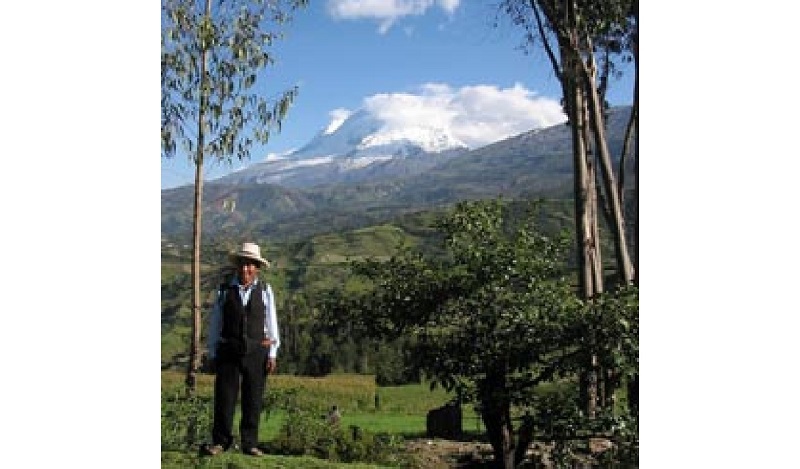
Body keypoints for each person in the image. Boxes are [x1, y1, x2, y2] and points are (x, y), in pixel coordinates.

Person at [203, 242, 280, 457]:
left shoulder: (265, 291)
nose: (246, 269)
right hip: (229, 350)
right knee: (225, 397)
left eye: (250, 265)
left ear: (257, 268)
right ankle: (220, 442)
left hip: (257, 351)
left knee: (253, 397)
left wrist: (272, 352)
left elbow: (271, 322)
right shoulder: (225, 290)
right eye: (243, 265)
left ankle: (250, 443)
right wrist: (212, 351)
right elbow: (216, 322)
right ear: (237, 267)